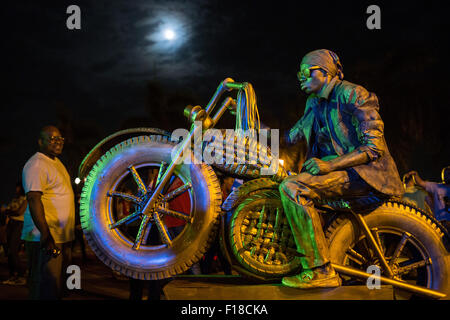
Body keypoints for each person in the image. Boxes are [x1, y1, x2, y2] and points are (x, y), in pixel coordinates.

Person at [279, 49, 403, 289]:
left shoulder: (353, 93)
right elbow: (289, 138)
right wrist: (247, 115)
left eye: (306, 72)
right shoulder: (314, 103)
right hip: (342, 175)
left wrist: (329, 164)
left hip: (367, 175)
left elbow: (373, 147)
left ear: (324, 72)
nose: (301, 78)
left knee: (293, 188)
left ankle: (319, 269)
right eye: (299, 74)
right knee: (280, 181)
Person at [21, 125, 75, 299]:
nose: (58, 142)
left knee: (58, 286)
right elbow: (33, 199)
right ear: (40, 142)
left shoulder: (56, 162)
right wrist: (46, 235)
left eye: (60, 138)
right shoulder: (36, 164)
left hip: (61, 236)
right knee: (45, 286)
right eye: (52, 139)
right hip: (45, 237)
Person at [1, 182, 27, 285]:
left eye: (18, 188)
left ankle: (21, 274)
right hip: (11, 224)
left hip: (19, 224)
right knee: (8, 251)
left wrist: (6, 210)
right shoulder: (15, 199)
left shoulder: (25, 199)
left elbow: (19, 212)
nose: (16, 190)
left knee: (13, 249)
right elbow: (11, 212)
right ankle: (12, 275)